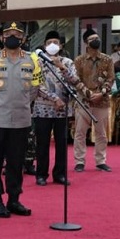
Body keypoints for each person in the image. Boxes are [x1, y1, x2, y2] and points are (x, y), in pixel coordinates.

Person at [0, 22, 40, 218]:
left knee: (16, 162)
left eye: (17, 34)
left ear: (23, 38)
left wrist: (21, 103)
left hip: (21, 120)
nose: (12, 37)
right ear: (2, 37)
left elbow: (34, 89)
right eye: (8, 33)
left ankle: (14, 199)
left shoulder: (32, 60)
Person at [33, 31, 76, 186]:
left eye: (56, 42)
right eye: (49, 42)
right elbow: (36, 85)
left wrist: (62, 67)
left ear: (61, 46)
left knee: (62, 144)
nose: (52, 45)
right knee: (42, 144)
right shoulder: (37, 62)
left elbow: (74, 81)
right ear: (44, 45)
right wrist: (54, 98)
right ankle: (41, 174)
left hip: (62, 110)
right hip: (42, 109)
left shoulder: (68, 62)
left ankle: (60, 174)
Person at [73, 28, 115, 173]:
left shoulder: (107, 59)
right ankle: (79, 161)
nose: (96, 41)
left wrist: (102, 93)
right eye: (92, 39)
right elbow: (76, 80)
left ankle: (101, 161)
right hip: (84, 101)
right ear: (86, 42)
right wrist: (88, 93)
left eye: (97, 38)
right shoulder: (79, 60)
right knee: (80, 133)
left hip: (102, 101)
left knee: (101, 133)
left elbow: (110, 79)